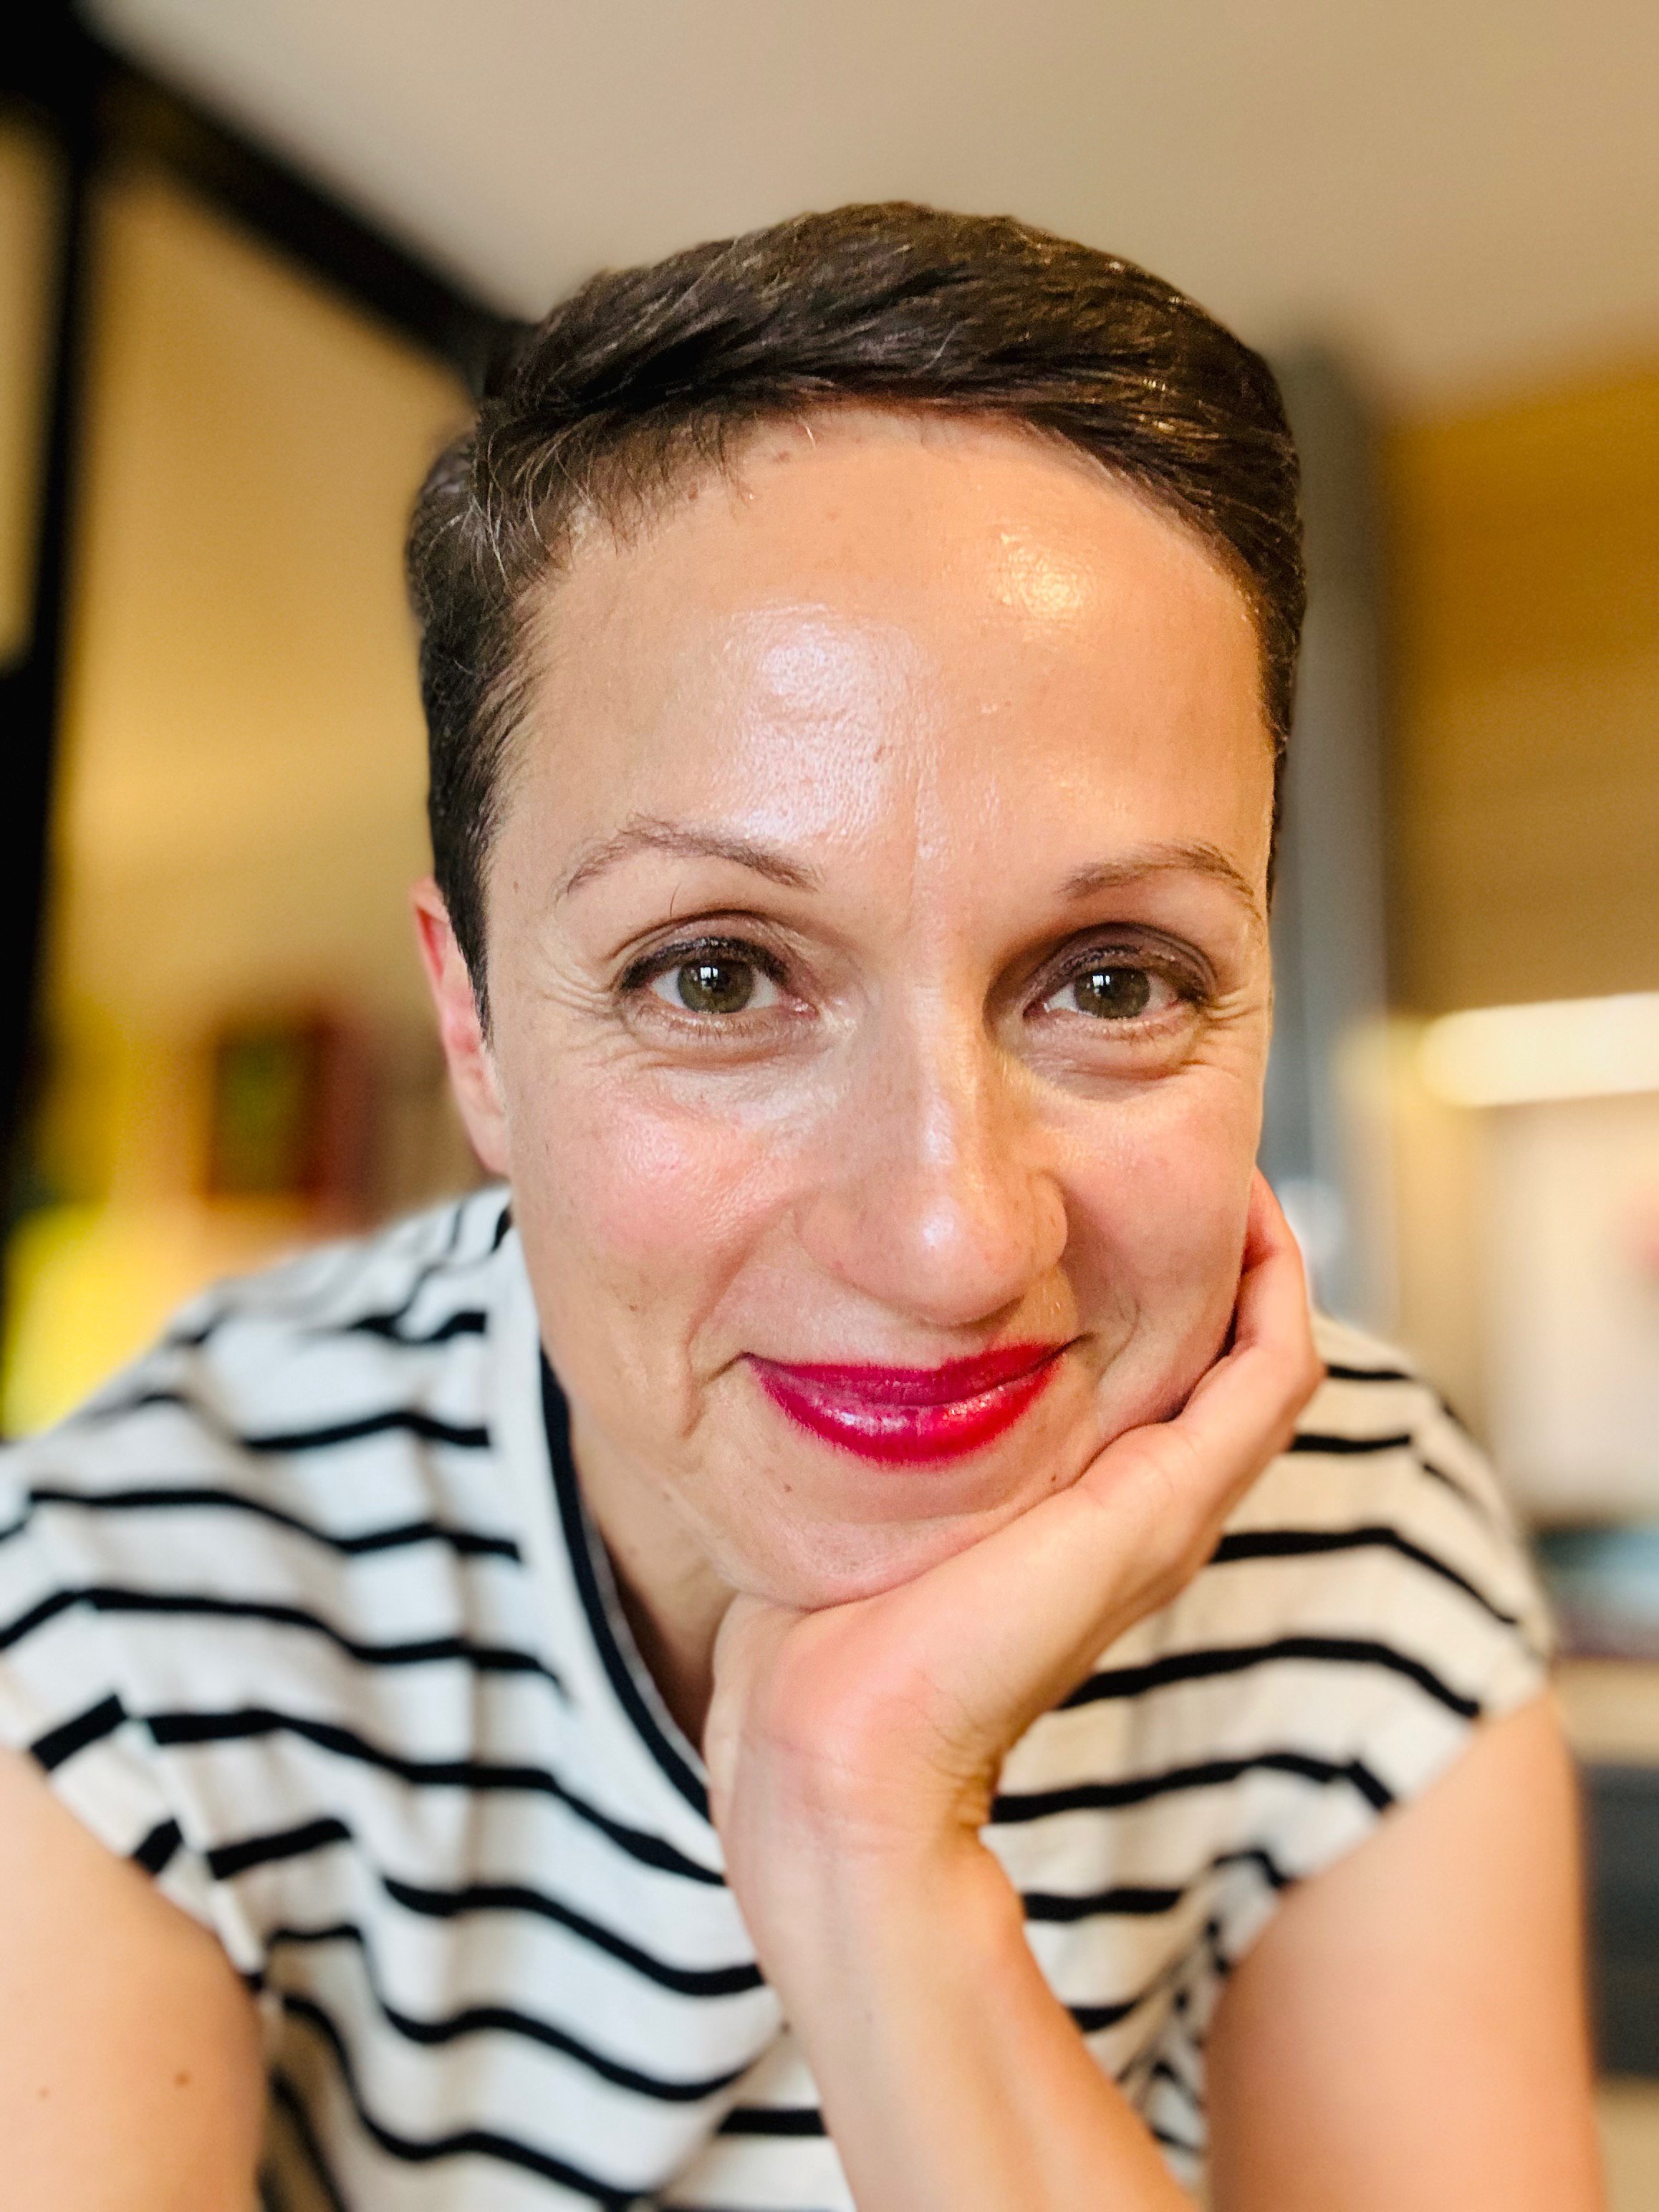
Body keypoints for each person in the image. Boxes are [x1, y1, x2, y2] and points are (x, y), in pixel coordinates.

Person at [0, 205, 1602, 2211]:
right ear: (474, 1027)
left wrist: (865, 1851)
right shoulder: (134, 1597)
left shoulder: (1350, 1530)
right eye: (716, 976)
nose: (953, 1242)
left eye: (1114, 981)